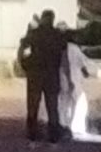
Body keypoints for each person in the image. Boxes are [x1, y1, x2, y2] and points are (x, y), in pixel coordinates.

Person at [18, 10, 67, 143]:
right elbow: (64, 49)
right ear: (52, 19)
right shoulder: (57, 35)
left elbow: (23, 48)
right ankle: (53, 134)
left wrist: (24, 65)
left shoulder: (34, 34)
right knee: (52, 106)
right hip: (51, 75)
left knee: (33, 104)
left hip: (35, 74)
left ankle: (32, 133)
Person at [58, 25, 101, 137]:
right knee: (74, 104)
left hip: (63, 80)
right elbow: (83, 63)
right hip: (73, 81)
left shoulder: (59, 48)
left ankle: (63, 125)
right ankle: (68, 126)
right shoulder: (74, 48)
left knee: (64, 104)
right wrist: (90, 73)